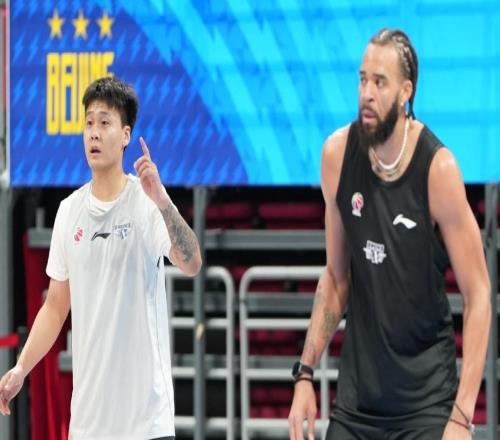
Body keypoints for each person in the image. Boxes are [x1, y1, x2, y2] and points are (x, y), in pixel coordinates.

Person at [288, 28, 491, 440]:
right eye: (363, 79)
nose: (367, 93)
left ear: (405, 92)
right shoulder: (337, 156)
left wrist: (461, 416)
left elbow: (479, 293)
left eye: (380, 82)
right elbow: (336, 278)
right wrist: (305, 373)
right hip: (358, 403)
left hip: (426, 404)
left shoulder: (438, 170)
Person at [0, 77, 202, 439]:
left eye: (105, 122)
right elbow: (55, 307)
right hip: (89, 425)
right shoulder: (69, 211)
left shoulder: (146, 203)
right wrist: (21, 368)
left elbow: (191, 263)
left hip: (146, 424)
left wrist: (162, 200)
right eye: (89, 122)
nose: (94, 132)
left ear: (125, 135)